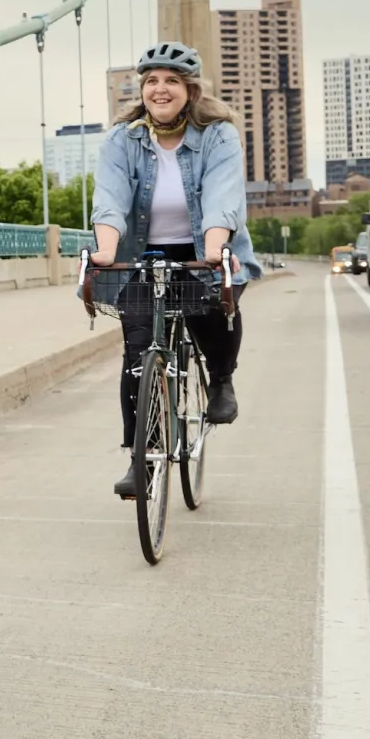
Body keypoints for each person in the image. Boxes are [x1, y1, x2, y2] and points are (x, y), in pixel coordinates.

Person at [90, 41, 261, 497]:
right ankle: (139, 460)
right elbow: (109, 200)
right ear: (141, 90)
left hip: (205, 245)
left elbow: (223, 199)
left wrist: (214, 253)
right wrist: (105, 252)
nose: (159, 89)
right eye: (151, 81)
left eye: (170, 81)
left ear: (189, 89)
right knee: (136, 357)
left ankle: (221, 379)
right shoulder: (121, 139)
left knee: (212, 311)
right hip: (142, 251)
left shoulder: (218, 134)